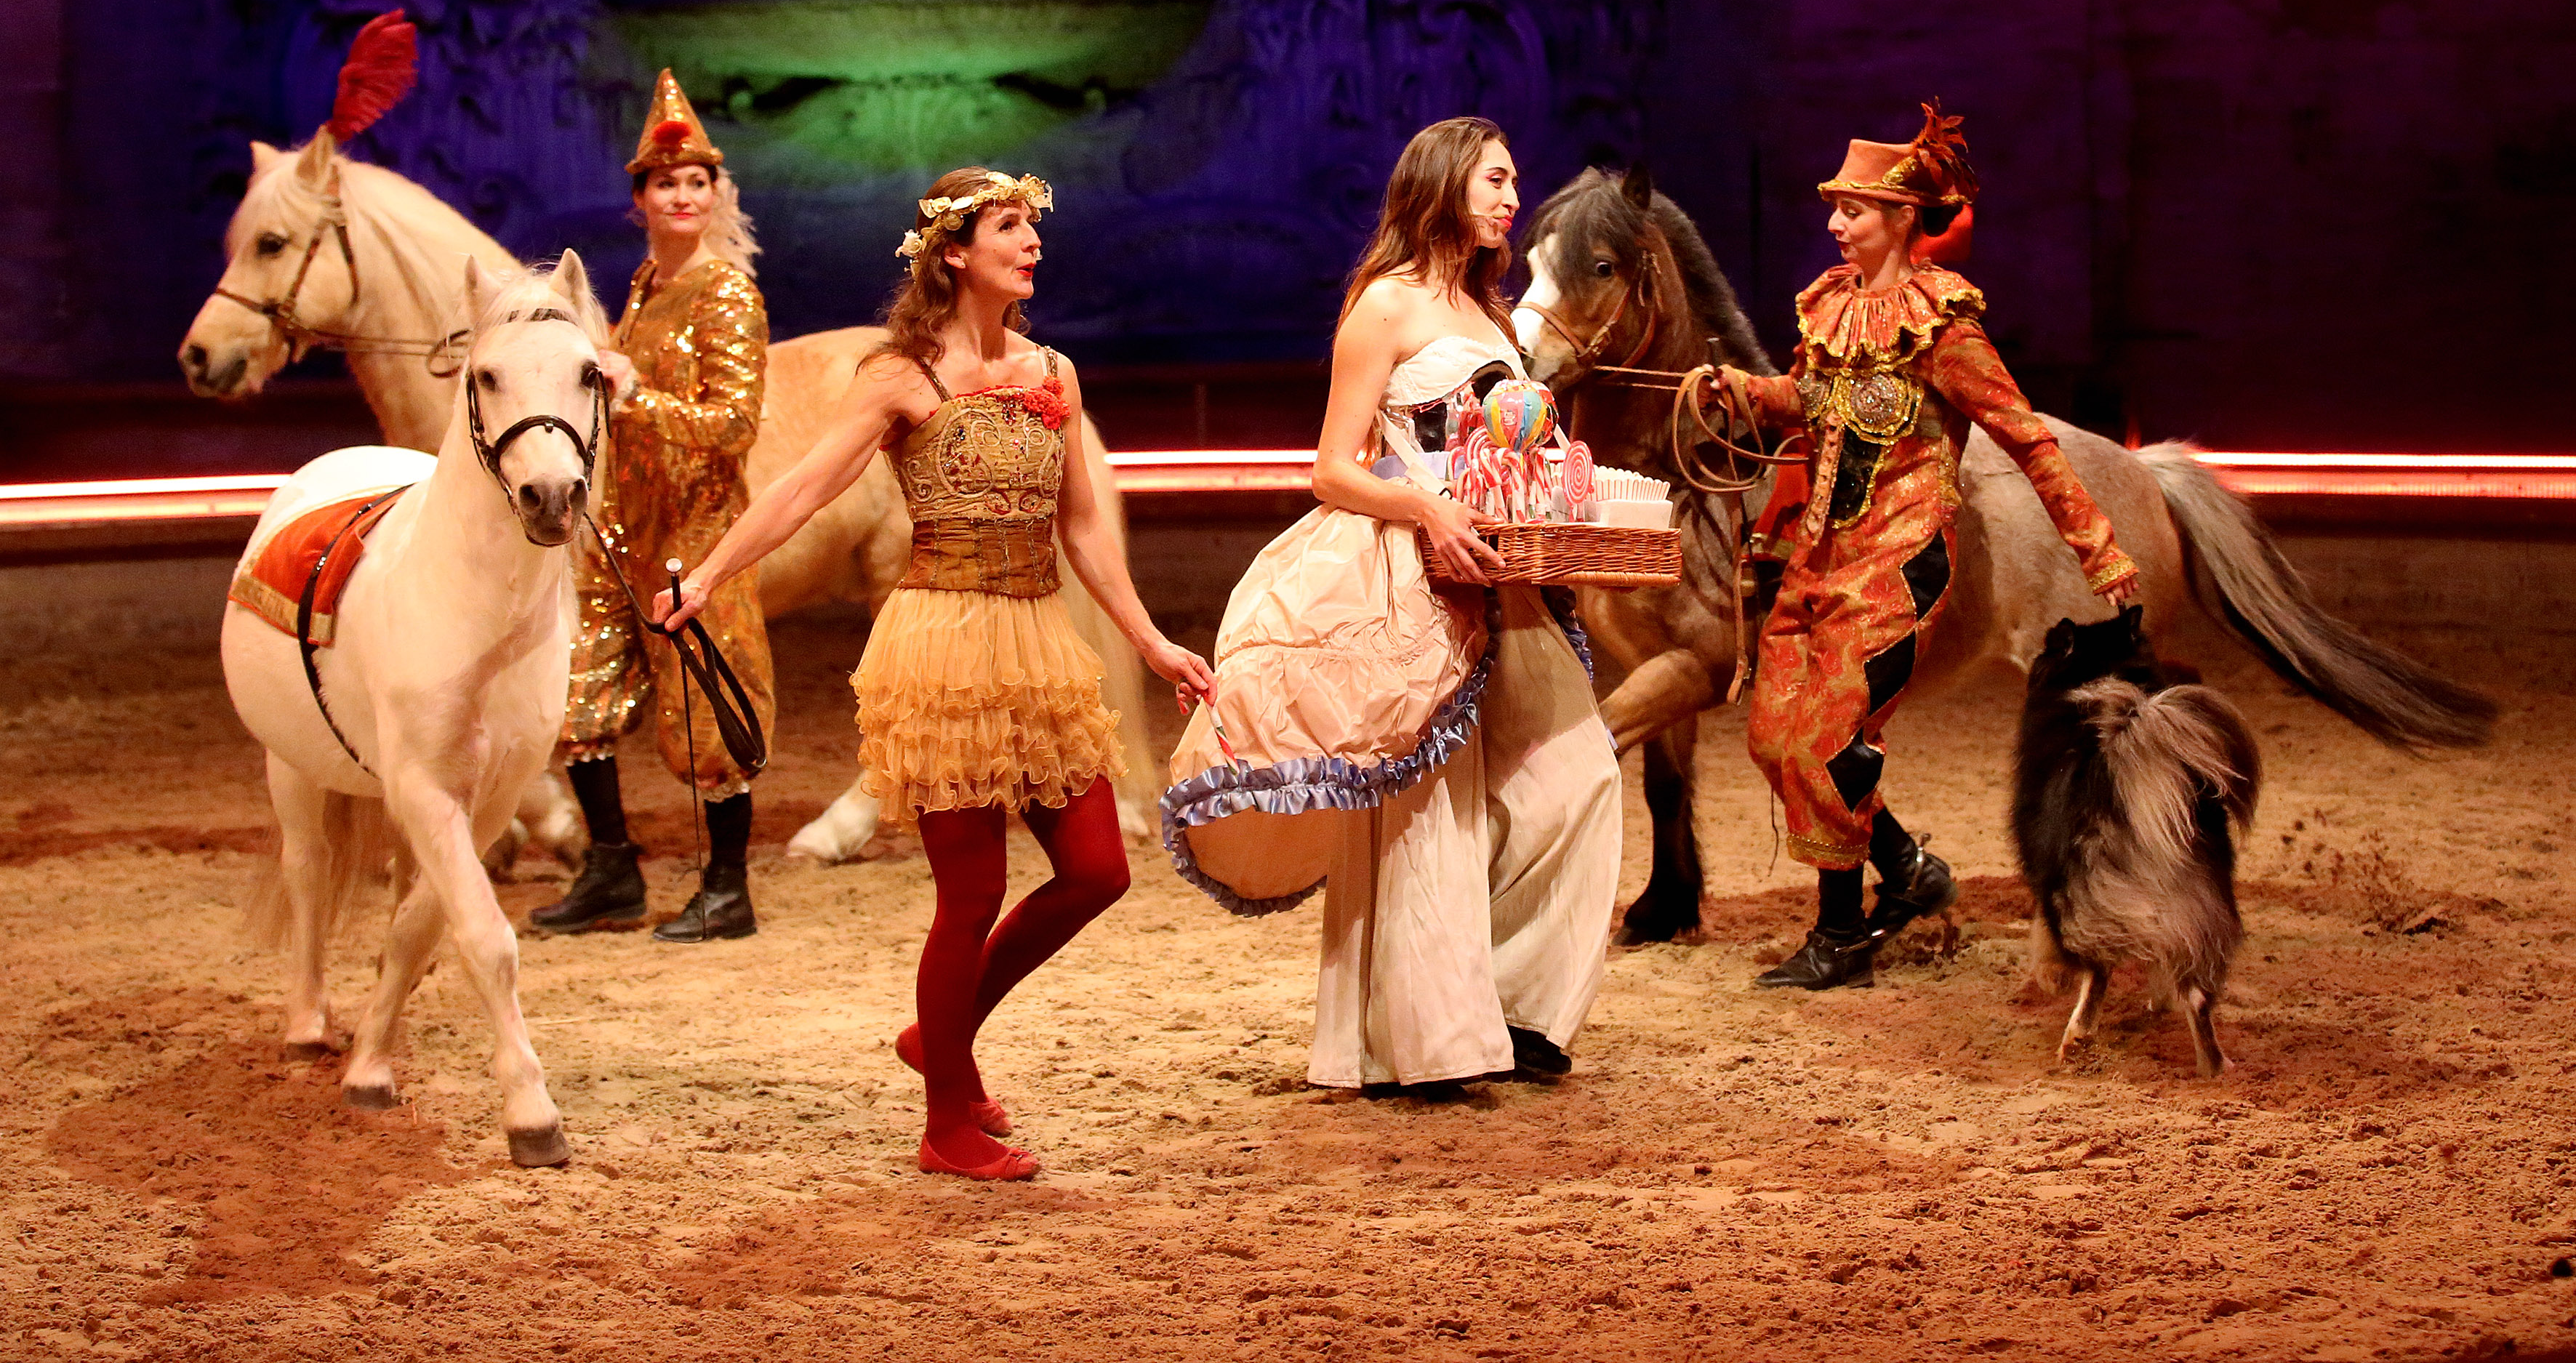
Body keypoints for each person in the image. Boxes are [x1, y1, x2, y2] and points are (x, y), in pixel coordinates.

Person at [657, 165, 1211, 1181]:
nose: (1032, 242)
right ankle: (945, 1115)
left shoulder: (1054, 371)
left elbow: (1083, 525)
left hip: (1035, 641)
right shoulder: (900, 373)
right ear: (954, 253)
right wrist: (710, 574)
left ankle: (939, 1034)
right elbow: (802, 487)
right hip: (941, 642)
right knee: (973, 890)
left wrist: (1147, 639)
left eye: (1032, 226)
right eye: (1010, 227)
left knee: (1096, 870)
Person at [1160, 117, 1624, 1089]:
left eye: (1511, 180)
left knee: (1576, 776)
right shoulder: (1386, 304)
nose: (1509, 196)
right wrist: (1421, 505)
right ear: (1444, 182)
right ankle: (1426, 1042)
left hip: (1505, 576)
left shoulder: (1489, 317)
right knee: (1429, 805)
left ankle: (1519, 1009)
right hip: (1407, 575)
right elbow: (1330, 467)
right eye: (1494, 179)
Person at [1714, 101, 2140, 990]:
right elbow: (1808, 402)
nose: (1834, 224)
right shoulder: (1831, 309)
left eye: (1853, 210)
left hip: (1901, 556)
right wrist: (1744, 392)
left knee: (1831, 734)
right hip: (1823, 552)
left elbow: (2027, 437)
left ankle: (1841, 936)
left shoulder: (1945, 326)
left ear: (1903, 219)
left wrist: (2096, 546)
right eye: (1834, 210)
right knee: (1770, 735)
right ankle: (1907, 868)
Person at [531, 71, 779, 944]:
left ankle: (727, 887)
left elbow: (733, 426)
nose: (683, 194)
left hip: (696, 533)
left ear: (716, 196)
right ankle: (610, 869)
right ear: (640, 198)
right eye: (666, 182)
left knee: (704, 707)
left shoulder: (726, 294)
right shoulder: (640, 284)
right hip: (623, 527)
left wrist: (632, 396)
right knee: (579, 695)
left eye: (697, 182)